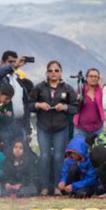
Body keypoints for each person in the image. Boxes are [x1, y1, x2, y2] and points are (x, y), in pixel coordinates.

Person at [28, 61, 78, 196]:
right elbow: (29, 105)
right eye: (50, 70)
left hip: (60, 128)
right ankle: (44, 187)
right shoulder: (39, 88)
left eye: (56, 70)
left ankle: (57, 187)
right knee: (44, 157)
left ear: (61, 72)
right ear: (46, 73)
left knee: (58, 157)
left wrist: (65, 107)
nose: (53, 73)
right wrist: (38, 105)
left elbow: (76, 107)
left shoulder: (67, 89)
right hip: (43, 127)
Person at [0, 50, 30, 144]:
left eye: (15, 62)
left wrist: (27, 129)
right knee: (5, 154)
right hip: (3, 125)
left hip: (20, 124)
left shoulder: (18, 79)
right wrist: (12, 67)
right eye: (10, 62)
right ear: (2, 62)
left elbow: (25, 104)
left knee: (19, 157)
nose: (14, 64)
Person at [73, 68, 105, 138]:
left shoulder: (102, 91)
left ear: (98, 78)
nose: (93, 78)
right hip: (81, 128)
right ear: (86, 78)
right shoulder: (80, 90)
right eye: (91, 76)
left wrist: (101, 87)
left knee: (98, 148)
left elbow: (103, 103)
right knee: (78, 148)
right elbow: (74, 106)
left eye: (95, 76)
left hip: (97, 128)